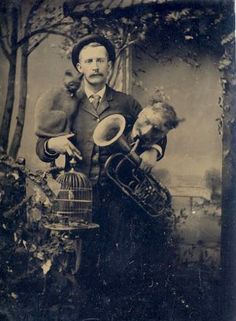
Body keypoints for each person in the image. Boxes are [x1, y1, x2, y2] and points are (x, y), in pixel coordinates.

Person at [35, 34, 173, 320]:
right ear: (79, 66)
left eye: (100, 60)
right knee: (82, 263)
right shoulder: (66, 103)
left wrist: (154, 152)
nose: (95, 66)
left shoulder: (126, 102)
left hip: (120, 197)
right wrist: (53, 145)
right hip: (79, 197)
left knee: (117, 263)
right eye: (89, 61)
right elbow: (41, 146)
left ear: (109, 65)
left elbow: (158, 130)